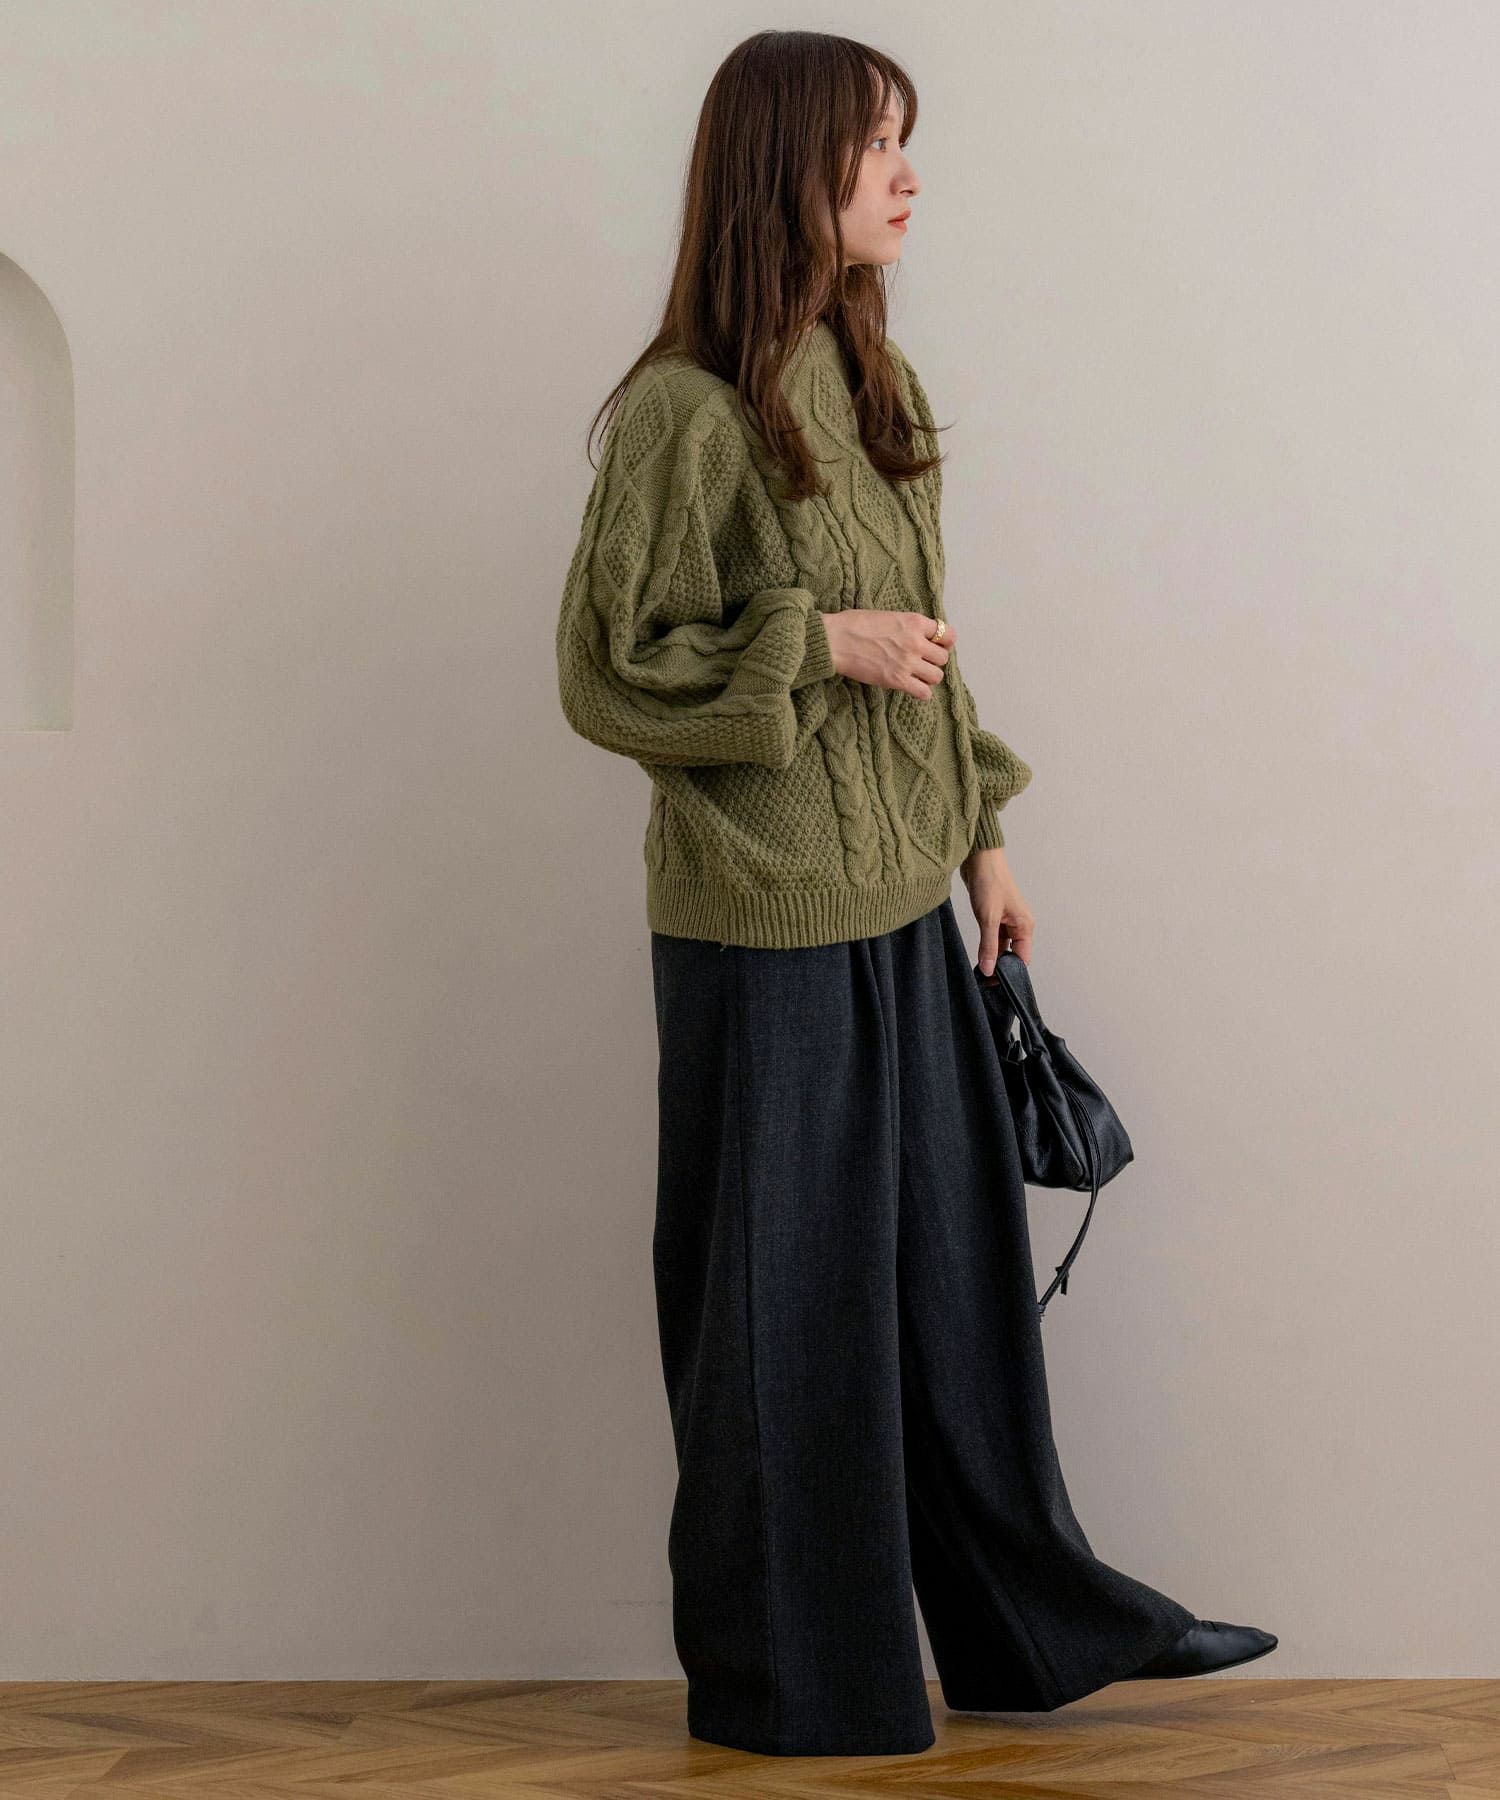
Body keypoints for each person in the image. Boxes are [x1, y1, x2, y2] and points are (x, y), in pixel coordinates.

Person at [554, 28, 1277, 1760]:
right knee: (781, 1311)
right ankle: (795, 1685)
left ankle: (1039, 1627)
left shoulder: (868, 376)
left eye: (906, 140)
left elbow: (931, 651)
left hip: (904, 906)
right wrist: (813, 643)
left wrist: (985, 842)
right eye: (877, 144)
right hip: (760, 923)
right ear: (785, 166)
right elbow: (604, 672)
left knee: (956, 1297)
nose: (908, 175)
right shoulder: (685, 412)